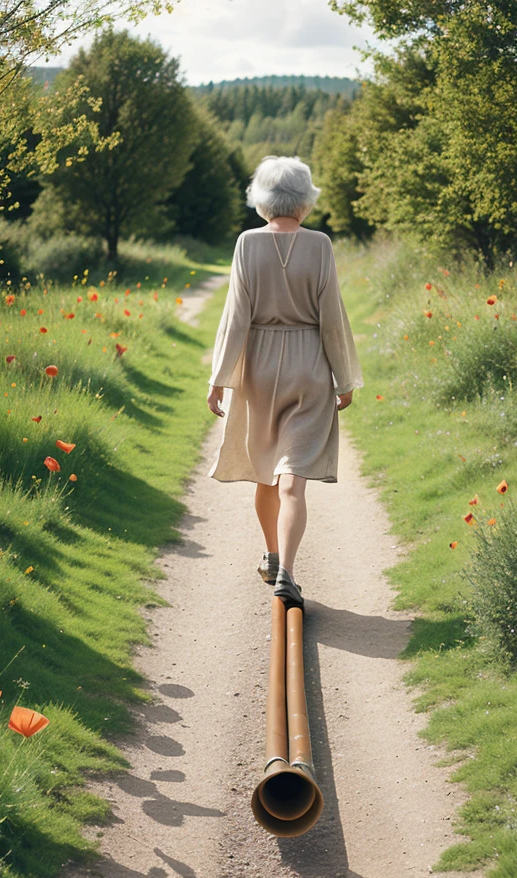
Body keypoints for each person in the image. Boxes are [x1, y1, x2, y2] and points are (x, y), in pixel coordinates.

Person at [206, 155, 364, 609]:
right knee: (293, 480)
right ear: (304, 199)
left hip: (259, 369)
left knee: (266, 474)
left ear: (262, 198)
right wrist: (343, 377)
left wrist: (219, 378)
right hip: (309, 367)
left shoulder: (246, 244)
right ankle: (288, 574)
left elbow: (235, 318)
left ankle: (272, 556)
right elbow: (331, 317)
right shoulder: (320, 245)